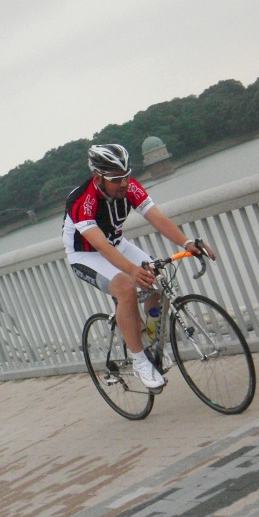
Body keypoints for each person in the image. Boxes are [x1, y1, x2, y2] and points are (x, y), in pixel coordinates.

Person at [63, 144, 216, 393]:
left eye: (126, 176)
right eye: (116, 180)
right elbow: (101, 246)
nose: (123, 184)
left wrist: (186, 242)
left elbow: (156, 217)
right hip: (86, 254)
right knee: (125, 287)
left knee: (156, 276)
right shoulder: (82, 200)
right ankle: (140, 360)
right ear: (98, 178)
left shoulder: (130, 186)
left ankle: (151, 341)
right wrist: (132, 271)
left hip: (117, 244)